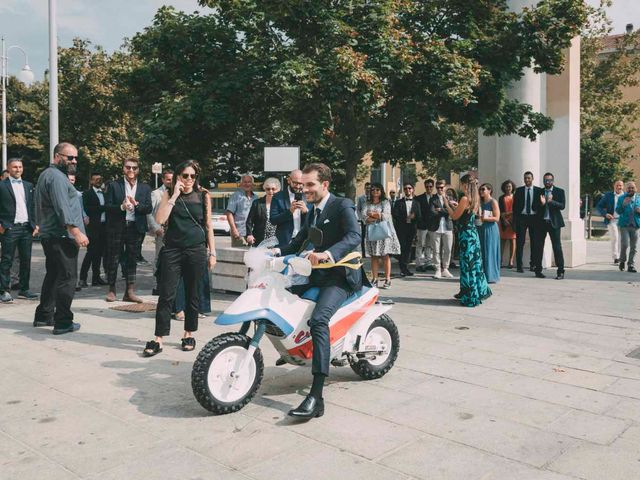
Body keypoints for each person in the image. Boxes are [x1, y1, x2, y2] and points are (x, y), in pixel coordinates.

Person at [276, 163, 362, 419]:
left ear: (325, 184)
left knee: (319, 320)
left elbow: (354, 236)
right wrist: (274, 252)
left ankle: (316, 395)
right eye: (303, 185)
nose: (305, 190)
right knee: (284, 296)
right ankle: (295, 348)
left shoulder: (342, 205)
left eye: (310, 184)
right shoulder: (313, 211)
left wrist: (328, 253)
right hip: (317, 274)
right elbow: (300, 240)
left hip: (340, 277)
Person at [143, 160, 216, 357]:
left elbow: (208, 226)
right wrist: (175, 194)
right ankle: (159, 338)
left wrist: (213, 252)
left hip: (196, 250)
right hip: (172, 250)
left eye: (193, 176)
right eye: (185, 176)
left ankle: (188, 334)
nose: (189, 179)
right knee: (166, 294)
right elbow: (160, 220)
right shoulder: (168, 194)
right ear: (178, 177)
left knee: (193, 294)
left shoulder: (203, 195)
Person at [33, 142, 89, 334]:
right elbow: (62, 206)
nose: (73, 161)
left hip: (52, 235)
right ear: (57, 156)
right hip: (61, 236)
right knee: (67, 277)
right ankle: (63, 321)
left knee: (54, 275)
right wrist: (76, 231)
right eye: (69, 157)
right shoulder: (57, 177)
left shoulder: (47, 175)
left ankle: (44, 315)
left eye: (75, 158)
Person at [104, 158, 152, 302]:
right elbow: (107, 207)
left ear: (138, 170)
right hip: (117, 226)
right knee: (113, 258)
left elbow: (148, 208)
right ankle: (111, 290)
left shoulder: (145, 188)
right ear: (123, 168)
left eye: (134, 168)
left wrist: (136, 205)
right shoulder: (113, 185)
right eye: (128, 167)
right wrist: (121, 207)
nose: (131, 170)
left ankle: (129, 292)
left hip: (135, 227)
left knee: (132, 259)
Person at [443, 174, 491, 307]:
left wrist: (447, 204)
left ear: (465, 184)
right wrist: (456, 205)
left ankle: (469, 294)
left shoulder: (465, 198)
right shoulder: (474, 198)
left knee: (467, 266)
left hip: (466, 236)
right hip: (473, 234)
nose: (460, 186)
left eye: (461, 184)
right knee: (475, 265)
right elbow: (465, 213)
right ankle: (473, 291)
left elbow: (454, 216)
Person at [0, 158, 38, 302]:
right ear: (8, 169)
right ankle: (3, 291)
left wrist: (35, 224)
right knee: (6, 260)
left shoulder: (28, 185)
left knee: (26, 260)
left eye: (20, 167)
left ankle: (24, 290)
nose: (18, 169)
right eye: (15, 167)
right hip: (9, 227)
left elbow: (32, 205)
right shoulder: (2, 185)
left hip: (26, 228)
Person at [360, 182, 400, 288]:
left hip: (383, 231)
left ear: (381, 191)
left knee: (385, 255)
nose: (375, 192)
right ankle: (375, 278)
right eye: (373, 190)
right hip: (372, 231)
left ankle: (387, 279)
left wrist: (372, 214)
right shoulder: (366, 203)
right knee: (374, 256)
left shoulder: (385, 202)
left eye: (377, 190)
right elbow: (364, 217)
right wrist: (376, 216)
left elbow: (386, 216)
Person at [533, 172, 566, 279]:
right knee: (538, 247)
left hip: (554, 223)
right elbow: (534, 207)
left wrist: (551, 202)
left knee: (557, 247)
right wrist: (541, 204)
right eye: (545, 180)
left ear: (553, 181)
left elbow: (562, 206)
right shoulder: (539, 191)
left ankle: (560, 271)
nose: (547, 182)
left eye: (549, 180)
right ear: (543, 181)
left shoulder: (559, 191)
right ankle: (538, 271)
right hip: (541, 223)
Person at [147, 169, 173, 295]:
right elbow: (149, 212)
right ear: (162, 179)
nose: (170, 181)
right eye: (168, 179)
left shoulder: (176, 193)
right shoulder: (156, 194)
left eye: (172, 179)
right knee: (159, 258)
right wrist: (156, 228)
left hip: (174, 231)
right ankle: (156, 286)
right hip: (161, 231)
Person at [79, 173, 107, 287]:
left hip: (103, 226)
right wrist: (103, 208)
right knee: (90, 253)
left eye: (100, 179)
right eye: (96, 179)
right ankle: (82, 278)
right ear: (91, 181)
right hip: (93, 227)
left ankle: (96, 277)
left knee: (99, 254)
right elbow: (87, 208)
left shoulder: (105, 194)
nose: (98, 181)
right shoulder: (87, 194)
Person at [513, 171, 543, 273]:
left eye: (529, 178)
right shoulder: (519, 190)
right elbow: (515, 206)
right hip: (522, 218)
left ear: (532, 178)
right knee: (520, 242)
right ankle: (519, 266)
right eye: (525, 178)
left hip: (534, 218)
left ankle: (533, 264)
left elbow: (541, 205)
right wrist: (516, 219)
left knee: (534, 242)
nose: (527, 180)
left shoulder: (539, 191)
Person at [270, 169, 309, 247]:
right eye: (295, 183)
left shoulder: (308, 196)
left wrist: (306, 212)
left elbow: (315, 220)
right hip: (285, 241)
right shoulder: (278, 197)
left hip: (304, 241)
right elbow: (273, 220)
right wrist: (289, 212)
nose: (298, 186)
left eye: (301, 184)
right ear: (289, 180)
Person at [392, 182, 421, 276]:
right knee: (402, 247)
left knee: (408, 248)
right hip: (401, 228)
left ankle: (406, 268)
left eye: (409, 188)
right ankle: (402, 268)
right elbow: (395, 214)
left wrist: (414, 217)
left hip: (412, 228)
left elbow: (420, 216)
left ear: (412, 190)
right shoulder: (398, 202)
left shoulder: (416, 203)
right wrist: (406, 217)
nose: (407, 190)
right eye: (405, 188)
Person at [429, 180, 455, 279]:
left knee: (448, 249)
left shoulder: (449, 198)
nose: (440, 189)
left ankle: (445, 269)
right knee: (436, 250)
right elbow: (431, 212)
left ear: (445, 188)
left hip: (448, 226)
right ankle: (437, 269)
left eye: (442, 187)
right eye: (438, 187)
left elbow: (452, 211)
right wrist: (445, 211)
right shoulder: (432, 199)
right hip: (436, 227)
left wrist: (440, 210)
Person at [597, 180, 625, 265]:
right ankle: (616, 257)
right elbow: (599, 206)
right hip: (612, 220)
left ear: (623, 186)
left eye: (620, 185)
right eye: (617, 185)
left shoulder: (626, 196)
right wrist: (605, 214)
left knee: (622, 240)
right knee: (615, 238)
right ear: (614, 186)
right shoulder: (608, 195)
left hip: (623, 221)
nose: (619, 187)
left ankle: (621, 257)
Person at [246, 177, 281, 246]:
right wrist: (249, 234)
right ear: (264, 189)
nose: (270, 191)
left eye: (273, 189)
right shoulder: (257, 203)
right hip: (260, 239)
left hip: (277, 241)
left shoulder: (282, 204)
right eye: (268, 189)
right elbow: (249, 221)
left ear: (278, 190)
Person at [225, 174, 257, 247]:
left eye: (249, 182)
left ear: (252, 184)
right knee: (239, 256)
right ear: (241, 184)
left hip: (253, 233)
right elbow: (229, 213)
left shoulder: (256, 198)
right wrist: (234, 230)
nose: (247, 184)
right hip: (239, 233)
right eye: (244, 182)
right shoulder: (235, 196)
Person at [479, 183, 501, 283]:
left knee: (490, 251)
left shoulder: (493, 201)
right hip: (481, 227)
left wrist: (486, 218)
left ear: (489, 190)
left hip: (491, 228)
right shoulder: (480, 202)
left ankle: (491, 276)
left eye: (483, 189)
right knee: (482, 251)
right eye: (480, 189)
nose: (481, 191)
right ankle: (482, 275)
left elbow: (497, 218)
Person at [616, 181, 640, 273]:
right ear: (626, 189)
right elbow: (618, 211)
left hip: (636, 225)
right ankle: (622, 261)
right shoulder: (622, 198)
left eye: (632, 188)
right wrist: (623, 205)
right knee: (625, 244)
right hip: (624, 225)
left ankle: (631, 265)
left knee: (634, 247)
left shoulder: (639, 198)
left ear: (635, 189)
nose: (630, 189)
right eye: (629, 188)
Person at [415, 178, 435, 272]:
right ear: (425, 187)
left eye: (430, 186)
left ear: (433, 187)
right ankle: (419, 264)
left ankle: (428, 263)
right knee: (420, 245)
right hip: (422, 226)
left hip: (432, 226)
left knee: (429, 245)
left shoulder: (435, 198)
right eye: (427, 186)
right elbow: (417, 213)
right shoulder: (419, 198)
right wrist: (420, 223)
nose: (429, 188)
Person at [498, 180, 516, 268]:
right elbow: (500, 211)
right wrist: (504, 219)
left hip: (513, 221)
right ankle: (500, 260)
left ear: (512, 187)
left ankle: (511, 260)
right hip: (504, 221)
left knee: (512, 240)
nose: (508, 188)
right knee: (503, 240)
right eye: (506, 187)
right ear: (504, 188)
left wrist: (510, 215)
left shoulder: (515, 197)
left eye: (509, 186)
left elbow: (516, 210)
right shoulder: (501, 198)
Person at [356, 182, 371, 258]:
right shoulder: (361, 198)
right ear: (365, 188)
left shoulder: (373, 197)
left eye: (369, 188)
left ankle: (371, 252)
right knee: (363, 237)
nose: (368, 189)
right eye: (367, 188)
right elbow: (358, 209)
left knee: (372, 237)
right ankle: (364, 253)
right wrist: (362, 218)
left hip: (372, 221)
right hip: (364, 221)